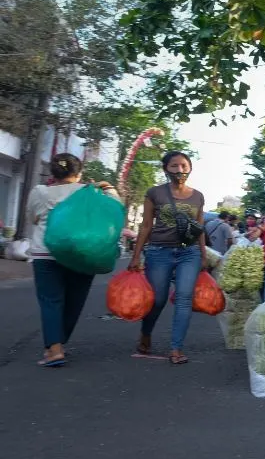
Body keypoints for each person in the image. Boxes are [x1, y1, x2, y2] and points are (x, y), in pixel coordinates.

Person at [26, 153, 121, 367]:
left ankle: (55, 347)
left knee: (51, 300)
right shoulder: (92, 193)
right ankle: (58, 344)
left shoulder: (41, 192)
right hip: (83, 253)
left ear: (53, 172)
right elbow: (115, 207)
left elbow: (32, 218)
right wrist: (107, 187)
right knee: (74, 302)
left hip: (46, 254)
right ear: (79, 173)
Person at [129, 151, 206, 364]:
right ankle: (146, 332)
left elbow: (199, 227)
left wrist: (203, 254)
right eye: (174, 166)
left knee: (184, 298)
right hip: (158, 251)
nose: (179, 170)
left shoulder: (198, 196)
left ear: (190, 168)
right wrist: (136, 256)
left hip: (189, 253)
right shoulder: (154, 193)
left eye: (183, 165)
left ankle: (176, 348)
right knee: (158, 299)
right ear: (165, 169)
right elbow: (146, 226)